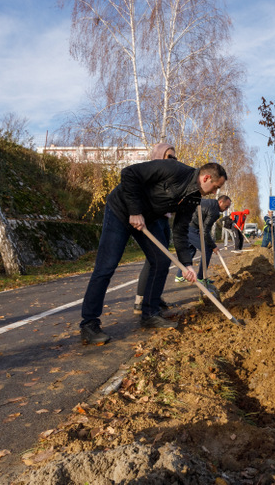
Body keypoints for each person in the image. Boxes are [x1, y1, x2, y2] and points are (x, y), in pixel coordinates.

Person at [79, 161, 227, 345]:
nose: (214, 192)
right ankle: (89, 324)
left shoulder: (194, 198)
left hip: (148, 219)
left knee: (161, 260)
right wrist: (134, 211)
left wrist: (187, 264)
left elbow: (180, 230)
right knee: (106, 266)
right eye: (216, 187)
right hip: (121, 210)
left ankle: (150, 314)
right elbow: (129, 173)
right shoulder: (174, 170)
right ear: (206, 178)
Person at [134, 143, 178, 315]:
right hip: (152, 219)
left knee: (161, 260)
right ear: (159, 156)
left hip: (164, 219)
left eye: (175, 157)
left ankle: (154, 296)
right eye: (170, 157)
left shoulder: (169, 176)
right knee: (154, 260)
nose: (173, 160)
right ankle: (140, 300)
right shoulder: (150, 173)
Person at [174, 195, 232, 284]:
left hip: (186, 225)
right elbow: (205, 231)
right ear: (220, 202)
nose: (226, 209)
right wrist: (213, 246)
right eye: (226, 206)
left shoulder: (210, 202)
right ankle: (201, 277)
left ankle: (179, 276)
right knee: (207, 250)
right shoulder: (215, 211)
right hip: (191, 228)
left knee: (191, 250)